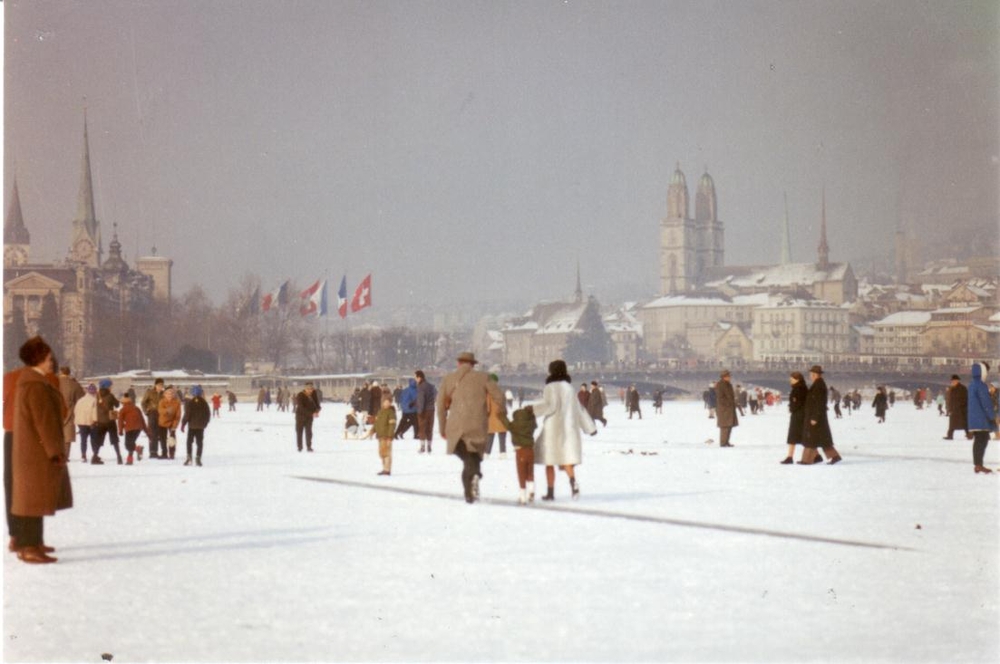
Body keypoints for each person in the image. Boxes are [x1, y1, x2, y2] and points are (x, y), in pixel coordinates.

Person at [11, 337, 73, 564]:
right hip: (37, 454)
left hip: (32, 453)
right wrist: (55, 451)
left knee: (34, 500)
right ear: (37, 359)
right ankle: (28, 546)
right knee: (32, 501)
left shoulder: (32, 381)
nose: (51, 362)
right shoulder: (36, 385)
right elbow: (44, 422)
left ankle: (33, 542)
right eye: (48, 358)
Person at [437, 352, 505, 503]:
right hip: (478, 424)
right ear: (473, 364)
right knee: (474, 454)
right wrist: (501, 412)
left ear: (458, 363)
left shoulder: (448, 379)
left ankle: (469, 491)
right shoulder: (483, 377)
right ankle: (474, 476)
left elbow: (440, 406)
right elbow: (499, 396)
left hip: (456, 425)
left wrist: (442, 428)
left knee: (466, 455)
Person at [533, 359, 597, 501]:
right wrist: (590, 427)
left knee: (549, 461)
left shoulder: (549, 387)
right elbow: (578, 409)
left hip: (552, 428)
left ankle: (550, 492)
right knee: (567, 459)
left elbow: (550, 406)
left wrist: (532, 410)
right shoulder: (569, 388)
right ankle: (573, 482)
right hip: (568, 428)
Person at [800, 365, 843, 465]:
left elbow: (819, 403)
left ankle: (807, 460)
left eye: (811, 374)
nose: (810, 376)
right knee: (822, 439)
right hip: (817, 416)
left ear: (815, 375)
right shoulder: (818, 384)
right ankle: (834, 456)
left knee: (811, 438)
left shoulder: (819, 385)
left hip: (816, 416)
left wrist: (814, 417)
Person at [967, 362, 996, 474]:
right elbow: (986, 403)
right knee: (982, 441)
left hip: (974, 418)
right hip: (981, 418)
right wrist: (992, 417)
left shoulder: (972, 384)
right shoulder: (981, 386)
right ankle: (979, 464)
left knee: (979, 440)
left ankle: (978, 464)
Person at [506, 405, 537, 504]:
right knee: (530, 472)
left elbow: (505, 423)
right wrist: (531, 414)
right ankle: (531, 489)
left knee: (521, 474)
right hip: (531, 451)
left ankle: (523, 497)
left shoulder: (514, 426)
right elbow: (534, 422)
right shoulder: (530, 424)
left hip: (520, 452)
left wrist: (501, 414)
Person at [92, 379, 123, 465]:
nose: (111, 387)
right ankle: (119, 457)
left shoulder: (97, 395)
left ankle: (95, 456)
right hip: (110, 421)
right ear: (107, 386)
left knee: (99, 440)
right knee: (114, 440)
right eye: (110, 386)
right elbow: (117, 405)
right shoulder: (110, 395)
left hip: (100, 421)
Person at [57, 366, 85, 459]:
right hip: (69, 411)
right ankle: (65, 455)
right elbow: (81, 398)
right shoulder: (73, 384)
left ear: (61, 372)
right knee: (67, 435)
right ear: (68, 373)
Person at [181, 385, 211, 466]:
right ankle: (198, 458)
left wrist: (183, 424)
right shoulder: (204, 403)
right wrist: (205, 423)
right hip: (201, 427)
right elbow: (208, 414)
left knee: (189, 442)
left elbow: (187, 414)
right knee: (199, 442)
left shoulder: (190, 402)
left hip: (192, 426)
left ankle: (189, 457)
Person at [781, 372, 808, 464]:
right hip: (799, 414)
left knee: (794, 436)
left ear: (797, 379)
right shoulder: (800, 388)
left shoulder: (798, 389)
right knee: (801, 436)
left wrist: (792, 408)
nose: (790, 380)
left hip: (798, 415)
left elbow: (798, 402)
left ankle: (790, 457)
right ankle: (816, 455)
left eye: (792, 378)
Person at [117, 393, 149, 465]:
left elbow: (120, 421)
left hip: (130, 428)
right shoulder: (136, 408)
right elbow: (142, 419)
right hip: (138, 428)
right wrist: (146, 431)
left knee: (128, 444)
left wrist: (120, 430)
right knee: (131, 442)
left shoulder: (123, 410)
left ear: (123, 403)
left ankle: (130, 459)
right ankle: (138, 449)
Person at [485, 373, 509, 459]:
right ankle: (503, 453)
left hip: (492, 417)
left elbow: (487, 407)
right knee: (502, 436)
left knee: (490, 436)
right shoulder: (501, 391)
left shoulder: (489, 393)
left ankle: (487, 453)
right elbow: (504, 404)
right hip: (501, 416)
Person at [73, 384, 98, 462]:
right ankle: (95, 454)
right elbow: (94, 412)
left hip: (81, 422)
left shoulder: (80, 400)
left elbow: (75, 411)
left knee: (83, 440)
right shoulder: (94, 400)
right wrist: (95, 421)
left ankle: (83, 455)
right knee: (93, 439)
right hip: (91, 422)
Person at [294, 382, 321, 452]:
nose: (310, 391)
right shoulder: (300, 395)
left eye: (311, 389)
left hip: (309, 418)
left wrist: (317, 411)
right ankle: (300, 447)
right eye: (308, 389)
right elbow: (301, 407)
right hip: (300, 416)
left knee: (309, 432)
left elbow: (317, 404)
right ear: (305, 389)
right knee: (299, 432)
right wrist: (311, 414)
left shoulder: (313, 394)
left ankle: (309, 446)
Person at [141, 378, 165, 459]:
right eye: (159, 385)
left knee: (158, 433)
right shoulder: (150, 392)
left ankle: (156, 451)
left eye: (162, 385)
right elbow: (143, 402)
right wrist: (146, 411)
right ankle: (152, 452)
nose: (160, 386)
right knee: (152, 432)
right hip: (152, 413)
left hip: (161, 414)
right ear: (155, 385)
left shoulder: (163, 394)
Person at [157, 386, 182, 460]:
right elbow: (160, 411)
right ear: (164, 394)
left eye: (171, 393)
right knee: (162, 439)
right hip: (162, 422)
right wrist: (167, 410)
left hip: (172, 423)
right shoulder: (162, 401)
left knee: (172, 439)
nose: (170, 395)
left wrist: (174, 425)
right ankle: (164, 453)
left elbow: (178, 415)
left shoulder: (177, 402)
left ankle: (172, 454)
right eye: (168, 393)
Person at [415, 370, 437, 454]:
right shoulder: (431, 386)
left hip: (424, 410)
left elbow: (421, 400)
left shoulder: (421, 387)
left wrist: (420, 411)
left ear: (419, 377)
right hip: (431, 410)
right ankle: (429, 446)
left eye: (416, 377)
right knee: (429, 428)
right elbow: (435, 394)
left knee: (422, 428)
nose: (415, 379)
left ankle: (422, 447)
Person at [374, 397, 397, 476]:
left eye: (388, 402)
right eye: (385, 402)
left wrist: (390, 437)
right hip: (380, 436)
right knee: (382, 453)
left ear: (390, 403)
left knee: (387, 453)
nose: (386, 404)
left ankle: (387, 469)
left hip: (387, 436)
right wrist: (373, 430)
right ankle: (384, 468)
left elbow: (392, 425)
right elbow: (377, 423)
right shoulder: (380, 412)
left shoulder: (391, 412)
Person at [715, 370, 738, 448]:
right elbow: (720, 398)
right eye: (728, 376)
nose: (729, 377)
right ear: (724, 377)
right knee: (724, 426)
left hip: (729, 408)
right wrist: (728, 403)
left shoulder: (728, 384)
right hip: (724, 409)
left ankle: (726, 441)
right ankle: (723, 442)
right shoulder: (720, 385)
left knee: (729, 425)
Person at [944, 374, 969, 440]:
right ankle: (950, 435)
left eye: (954, 381)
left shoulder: (963, 388)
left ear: (958, 381)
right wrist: (949, 407)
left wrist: (962, 406)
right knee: (952, 424)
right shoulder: (951, 389)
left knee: (964, 424)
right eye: (952, 381)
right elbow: (949, 399)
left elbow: (965, 398)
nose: (953, 382)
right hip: (953, 409)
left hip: (961, 409)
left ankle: (969, 434)